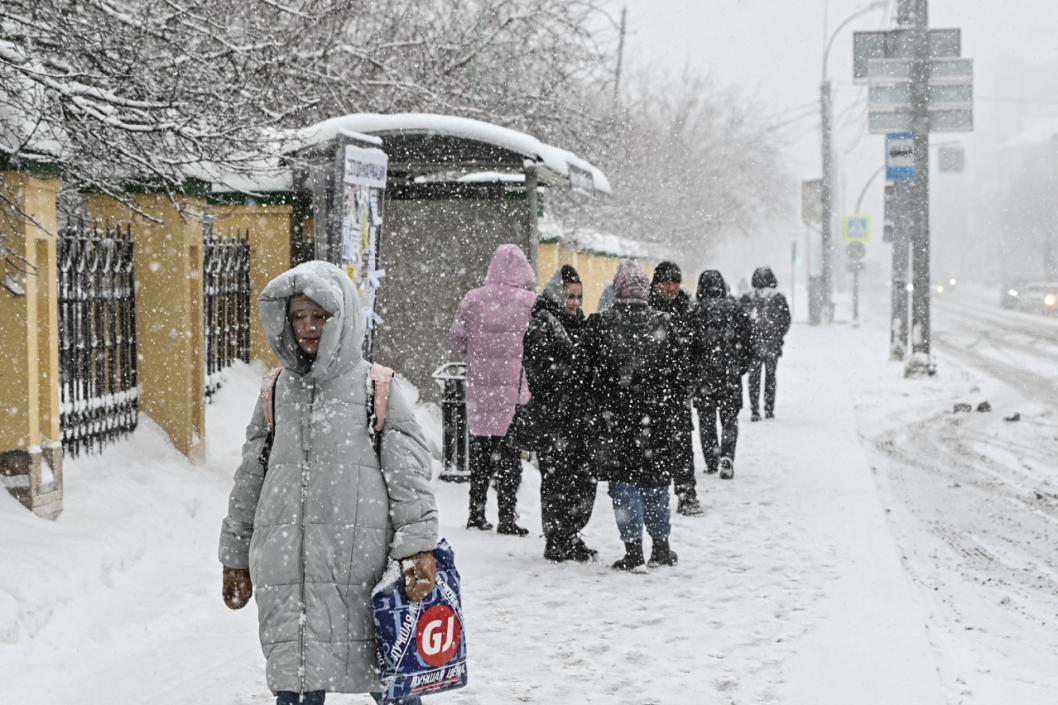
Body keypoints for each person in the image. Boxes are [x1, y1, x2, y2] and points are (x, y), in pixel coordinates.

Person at [218, 261, 438, 705]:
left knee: (392, 682)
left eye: (319, 316)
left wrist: (417, 549)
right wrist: (235, 555)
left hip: (362, 571)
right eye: (299, 316)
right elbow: (250, 478)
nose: (307, 327)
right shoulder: (275, 390)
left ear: (342, 319)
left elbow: (408, 478)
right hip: (290, 573)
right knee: (296, 686)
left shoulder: (376, 387)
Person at [578, 263, 680, 571]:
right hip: (656, 420)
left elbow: (583, 374)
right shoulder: (665, 324)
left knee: (624, 484)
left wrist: (598, 406)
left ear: (617, 289)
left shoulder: (600, 325)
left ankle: (633, 549)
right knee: (656, 483)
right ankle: (661, 547)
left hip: (616, 421)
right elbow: (678, 376)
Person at [450, 244, 537, 536]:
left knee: (481, 455)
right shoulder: (529, 302)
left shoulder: (473, 300)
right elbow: (537, 345)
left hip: (481, 390)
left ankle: (476, 513)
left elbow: (458, 341)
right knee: (510, 457)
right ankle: (507, 517)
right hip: (513, 393)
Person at [523, 264, 598, 562]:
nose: (575, 303)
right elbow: (540, 373)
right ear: (557, 295)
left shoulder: (580, 324)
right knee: (556, 480)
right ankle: (556, 539)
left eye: (578, 297)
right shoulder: (542, 324)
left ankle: (571, 534)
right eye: (569, 296)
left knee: (581, 480)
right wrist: (571, 376)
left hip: (578, 418)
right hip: (554, 418)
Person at [647, 261, 701, 516]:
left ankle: (686, 492)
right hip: (653, 388)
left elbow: (697, 349)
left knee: (681, 442)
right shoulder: (647, 309)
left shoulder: (687, 309)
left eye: (675, 283)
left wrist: (691, 377)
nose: (672, 288)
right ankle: (655, 494)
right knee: (654, 442)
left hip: (678, 387)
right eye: (667, 283)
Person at [688, 270, 752, 480]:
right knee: (729, 417)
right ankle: (727, 455)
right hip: (729, 374)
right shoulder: (735, 308)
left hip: (704, 375)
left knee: (706, 418)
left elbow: (689, 346)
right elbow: (748, 340)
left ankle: (711, 459)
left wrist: (693, 369)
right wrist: (740, 366)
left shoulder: (695, 311)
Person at [741, 266, 792, 421]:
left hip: (753, 345)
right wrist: (777, 336)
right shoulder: (778, 298)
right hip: (772, 344)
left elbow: (741, 322)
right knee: (770, 376)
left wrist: (746, 338)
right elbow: (785, 320)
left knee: (754, 378)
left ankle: (755, 409)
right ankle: (769, 408)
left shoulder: (747, 297)